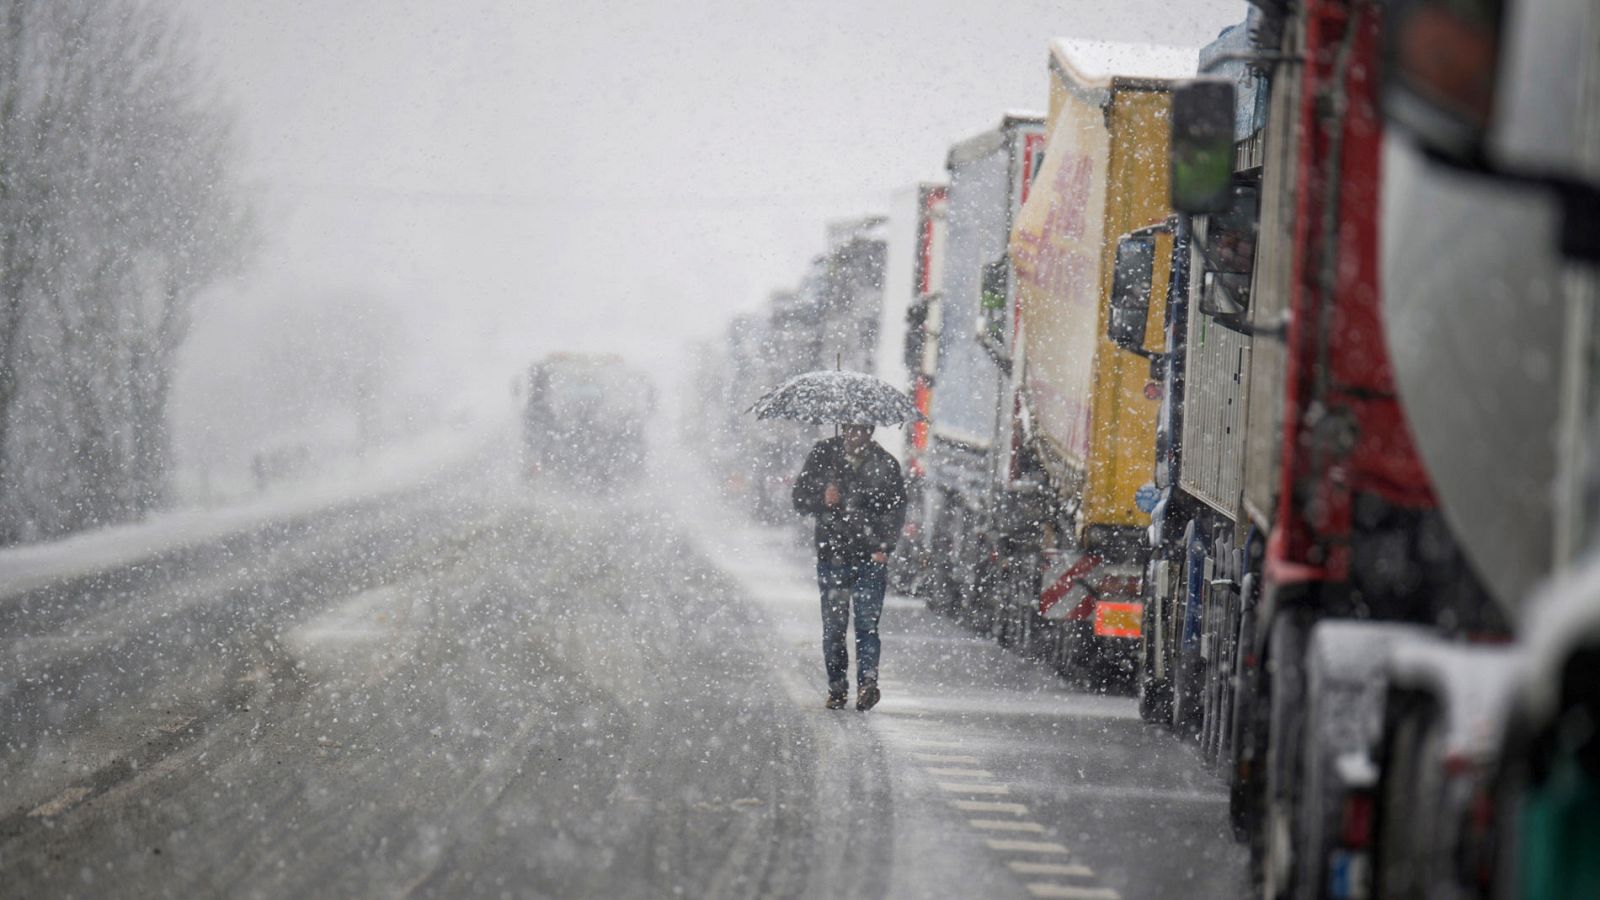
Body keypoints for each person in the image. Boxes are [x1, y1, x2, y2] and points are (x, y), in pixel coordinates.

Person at [792, 423, 907, 710]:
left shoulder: (886, 465)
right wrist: (822, 497)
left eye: (862, 429)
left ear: (870, 431)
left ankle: (868, 683)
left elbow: (895, 510)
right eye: (850, 428)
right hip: (833, 557)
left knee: (867, 625)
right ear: (843, 428)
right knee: (834, 627)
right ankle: (837, 686)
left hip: (869, 558)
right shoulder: (823, 455)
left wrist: (883, 547)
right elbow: (799, 499)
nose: (855, 435)